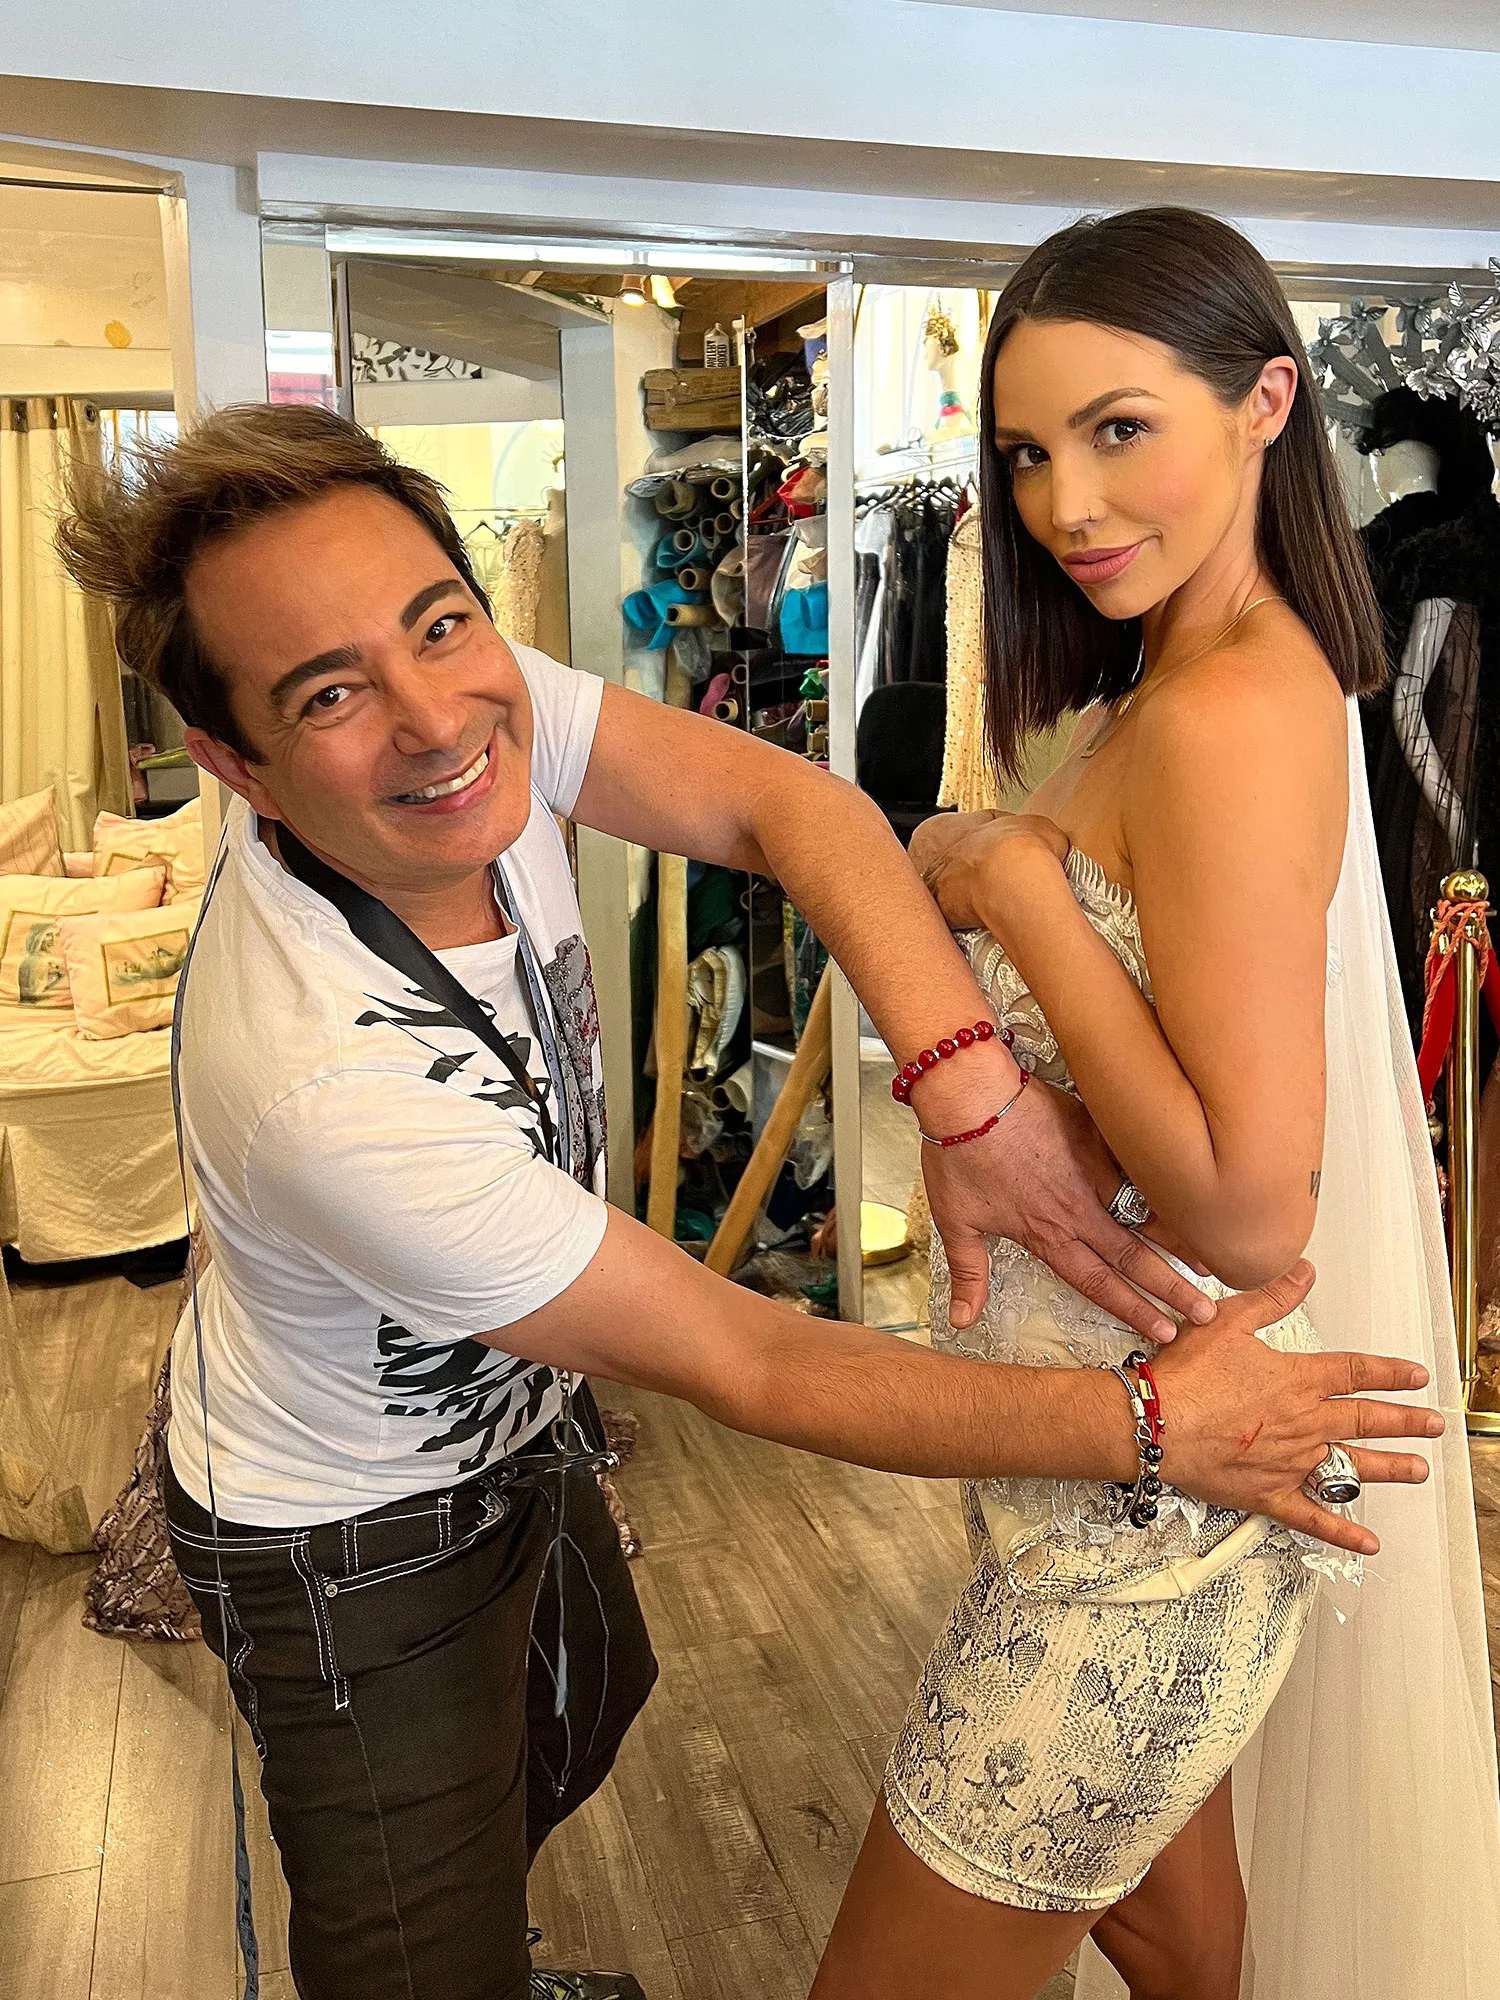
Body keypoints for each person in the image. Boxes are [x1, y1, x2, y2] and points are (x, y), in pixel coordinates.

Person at [57, 404, 1440, 2000]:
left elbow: (790, 807)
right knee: (415, 1938)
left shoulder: (473, 708)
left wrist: (970, 1091)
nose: (433, 719)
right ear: (234, 765)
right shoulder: (324, 1085)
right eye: (329, 696)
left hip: (524, 1416)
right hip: (343, 1523)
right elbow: (750, 1359)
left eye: (440, 624)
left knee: (575, 1718)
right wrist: (1150, 1424)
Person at [812, 207, 1500, 2000]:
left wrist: (1010, 881)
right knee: (1185, 1946)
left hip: (1146, 1520)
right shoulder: (1176, 685)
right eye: (1030, 452)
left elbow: (1252, 1210)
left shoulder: (1225, 711)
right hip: (1099, 1476)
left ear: (1267, 402)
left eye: (1122, 429)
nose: (1067, 502)